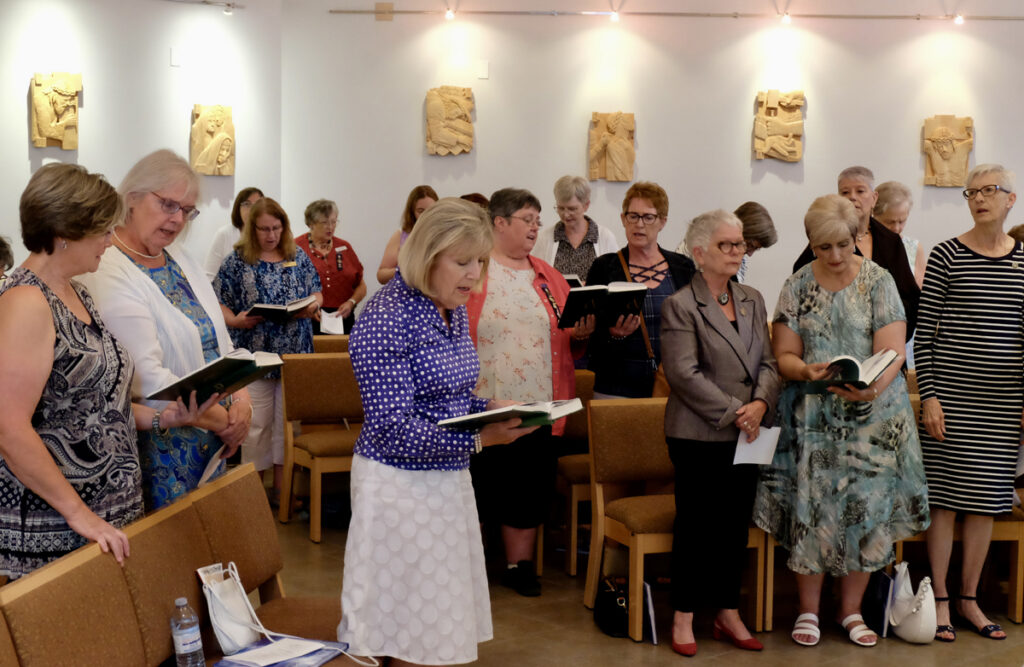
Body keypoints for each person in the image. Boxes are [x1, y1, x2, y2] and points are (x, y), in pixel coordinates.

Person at [337, 197, 538, 665]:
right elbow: (392, 428)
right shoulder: (385, 316)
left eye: (481, 261)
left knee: (436, 625)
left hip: (445, 480)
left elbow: (448, 395)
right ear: (428, 257)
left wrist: (488, 407)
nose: (474, 274)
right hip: (397, 487)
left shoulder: (447, 307)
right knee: (403, 630)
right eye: (463, 262)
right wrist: (478, 437)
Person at [0, 163, 214, 578]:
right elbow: (9, 427)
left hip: (106, 516)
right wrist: (80, 515)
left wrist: (162, 417)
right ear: (64, 232)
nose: (108, 240)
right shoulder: (27, 300)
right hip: (56, 527)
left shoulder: (76, 291)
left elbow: (93, 409)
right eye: (101, 229)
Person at [754, 194, 929, 649]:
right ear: (810, 243)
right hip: (814, 415)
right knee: (812, 509)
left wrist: (872, 386)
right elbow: (785, 353)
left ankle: (850, 610)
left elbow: (892, 350)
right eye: (822, 247)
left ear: (857, 238)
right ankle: (808, 610)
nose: (833, 256)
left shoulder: (879, 280)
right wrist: (803, 370)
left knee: (866, 512)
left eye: (842, 245)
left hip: (873, 415)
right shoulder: (795, 285)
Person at [81, 150, 252, 511]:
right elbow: (149, 379)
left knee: (211, 551)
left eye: (187, 211)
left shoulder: (181, 258)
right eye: (169, 205)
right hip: (161, 446)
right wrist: (226, 421)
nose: (178, 219)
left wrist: (243, 402)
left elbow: (221, 342)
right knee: (172, 557)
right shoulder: (106, 265)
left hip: (211, 437)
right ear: (132, 199)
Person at [661, 209, 780, 656]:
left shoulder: (752, 297)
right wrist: (738, 412)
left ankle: (728, 612)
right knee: (696, 524)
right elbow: (683, 374)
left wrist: (761, 404)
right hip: (698, 434)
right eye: (727, 245)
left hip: (749, 432)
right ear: (699, 253)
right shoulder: (680, 305)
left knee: (734, 525)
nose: (738, 251)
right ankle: (685, 615)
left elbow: (768, 362)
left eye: (739, 244)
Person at [915, 164, 1024, 642]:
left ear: (1010, 200)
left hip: (1002, 402)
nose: (979, 199)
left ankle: (969, 598)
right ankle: (939, 598)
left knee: (983, 503)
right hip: (952, 399)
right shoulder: (946, 256)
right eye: (972, 192)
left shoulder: (1023, 261)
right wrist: (931, 396)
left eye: (989, 191)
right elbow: (926, 337)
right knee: (945, 501)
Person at [466, 187, 593, 597]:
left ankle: (518, 566)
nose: (536, 228)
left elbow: (567, 337)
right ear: (499, 222)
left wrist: (582, 334)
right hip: (480, 401)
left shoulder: (548, 275)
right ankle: (469, 565)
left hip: (538, 401)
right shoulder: (473, 269)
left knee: (527, 486)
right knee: (478, 484)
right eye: (528, 220)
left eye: (539, 221)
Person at [215, 198, 322, 499]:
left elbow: (316, 291)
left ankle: (283, 489)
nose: (271, 235)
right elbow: (217, 301)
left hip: (294, 352)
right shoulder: (237, 261)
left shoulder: (297, 255)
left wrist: (312, 305)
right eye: (264, 229)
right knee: (257, 425)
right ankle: (255, 493)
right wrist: (235, 320)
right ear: (252, 230)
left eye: (276, 228)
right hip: (255, 352)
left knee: (286, 424)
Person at [585, 181, 696, 398]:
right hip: (616, 385)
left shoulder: (683, 267)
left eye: (648, 217)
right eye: (633, 216)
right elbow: (592, 335)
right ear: (623, 219)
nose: (639, 224)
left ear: (662, 221)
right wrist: (614, 335)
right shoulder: (604, 267)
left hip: (672, 385)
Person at [792, 166, 920, 336]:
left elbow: (910, 297)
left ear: (874, 198)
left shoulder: (891, 241)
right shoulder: (824, 239)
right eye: (845, 193)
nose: (852, 197)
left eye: (860, 191)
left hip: (887, 338)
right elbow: (801, 287)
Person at [295, 199, 366, 334]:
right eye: (324, 222)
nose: (331, 227)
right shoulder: (296, 247)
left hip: (343, 317)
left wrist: (351, 302)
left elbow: (361, 285)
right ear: (311, 224)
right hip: (308, 319)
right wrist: (307, 308)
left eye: (334, 221)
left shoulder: (344, 247)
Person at [531, 175, 619, 281]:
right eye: (561, 208)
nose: (566, 214)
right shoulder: (545, 238)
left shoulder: (605, 237)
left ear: (586, 205)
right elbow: (536, 277)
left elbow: (615, 280)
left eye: (572, 209)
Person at [377, 185, 438, 284]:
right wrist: (404, 271)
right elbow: (381, 276)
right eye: (420, 211)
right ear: (412, 212)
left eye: (431, 210)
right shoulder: (401, 236)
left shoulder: (445, 236)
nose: (426, 215)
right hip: (407, 295)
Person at [204, 187, 264, 280]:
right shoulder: (224, 234)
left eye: (257, 204)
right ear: (238, 208)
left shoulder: (269, 235)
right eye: (247, 204)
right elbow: (209, 276)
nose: (252, 209)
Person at [873, 181, 925, 287]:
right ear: (874, 215)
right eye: (889, 222)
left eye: (902, 221)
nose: (896, 228)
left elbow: (921, 289)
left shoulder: (914, 247)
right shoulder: (864, 245)